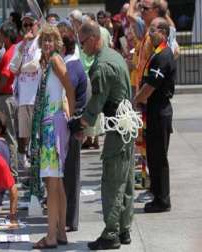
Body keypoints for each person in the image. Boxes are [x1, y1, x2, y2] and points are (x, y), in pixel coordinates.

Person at [78, 21, 134, 250]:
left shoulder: (102, 65)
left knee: (112, 180)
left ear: (93, 38)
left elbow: (96, 103)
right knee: (126, 179)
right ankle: (124, 229)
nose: (82, 48)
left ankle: (111, 233)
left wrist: (80, 125)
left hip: (117, 127)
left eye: (83, 43)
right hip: (127, 125)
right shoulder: (115, 55)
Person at [31, 24, 75, 249]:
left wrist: (72, 116)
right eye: (44, 39)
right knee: (55, 183)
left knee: (53, 183)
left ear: (56, 42)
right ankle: (60, 232)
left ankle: (51, 236)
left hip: (52, 127)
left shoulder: (56, 60)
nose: (47, 43)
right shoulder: (47, 63)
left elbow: (69, 87)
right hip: (50, 124)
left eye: (51, 39)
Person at [134, 17, 176, 213]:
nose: (150, 34)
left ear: (164, 33)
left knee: (159, 157)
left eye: (153, 30)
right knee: (152, 155)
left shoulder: (163, 55)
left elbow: (151, 86)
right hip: (153, 110)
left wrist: (137, 99)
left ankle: (162, 199)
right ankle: (157, 194)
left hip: (159, 110)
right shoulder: (156, 53)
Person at [57, 19, 88, 232]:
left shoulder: (71, 66)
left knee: (70, 175)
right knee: (64, 174)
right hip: (68, 124)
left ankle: (70, 220)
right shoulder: (68, 63)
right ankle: (65, 217)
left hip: (72, 125)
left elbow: (69, 96)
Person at [9, 12, 42, 171]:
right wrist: (22, 48)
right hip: (23, 96)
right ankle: (24, 160)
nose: (28, 28)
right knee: (23, 133)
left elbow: (35, 65)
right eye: (25, 25)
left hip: (36, 95)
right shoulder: (21, 45)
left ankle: (36, 164)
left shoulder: (40, 42)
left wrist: (20, 69)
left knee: (36, 133)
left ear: (37, 25)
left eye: (31, 24)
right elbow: (11, 67)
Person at [0, 21, 18, 177]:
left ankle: (12, 173)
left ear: (6, 37)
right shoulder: (10, 51)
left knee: (8, 135)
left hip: (5, 98)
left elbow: (4, 80)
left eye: (1, 36)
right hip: (5, 96)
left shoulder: (10, 53)